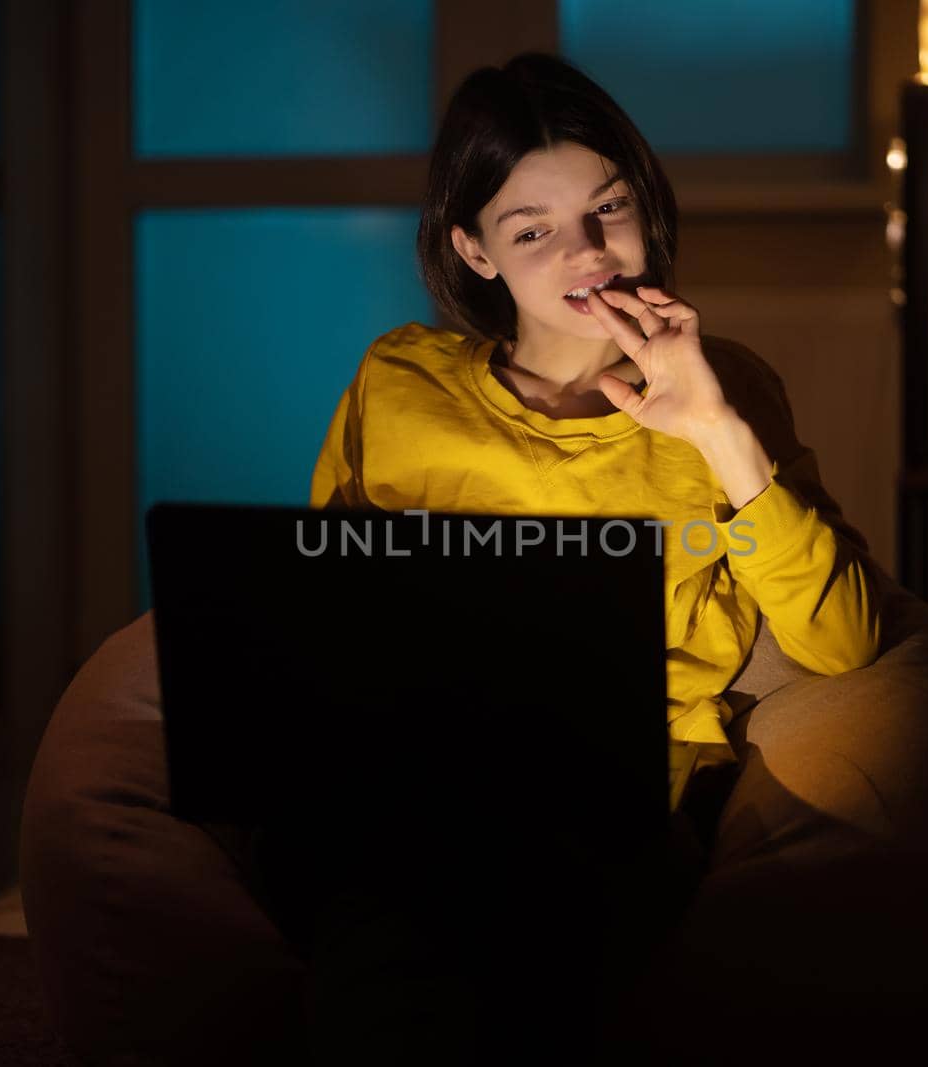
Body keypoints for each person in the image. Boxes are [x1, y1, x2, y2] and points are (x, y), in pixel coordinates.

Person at [293, 51, 885, 1063]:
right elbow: (320, 606)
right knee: (377, 905)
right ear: (473, 251)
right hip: (418, 777)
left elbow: (841, 641)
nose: (589, 255)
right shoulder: (398, 380)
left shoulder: (723, 386)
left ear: (646, 206)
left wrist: (715, 430)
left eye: (608, 210)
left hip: (616, 807)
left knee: (527, 918)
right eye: (533, 231)